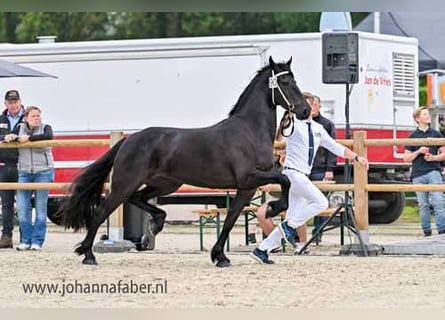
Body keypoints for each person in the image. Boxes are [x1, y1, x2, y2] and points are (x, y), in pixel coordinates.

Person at [249, 104, 368, 264]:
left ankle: (261, 250)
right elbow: (282, 134)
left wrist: (356, 158)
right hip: (293, 173)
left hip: (303, 175)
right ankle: (288, 229)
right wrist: (287, 118)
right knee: (321, 202)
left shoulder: (318, 128)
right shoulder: (294, 125)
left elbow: (336, 147)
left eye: (310, 105)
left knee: (291, 219)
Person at [6, 106, 55, 251]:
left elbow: (48, 137)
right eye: (33, 116)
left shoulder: (46, 128)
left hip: (44, 172)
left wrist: (29, 138)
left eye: (38, 116)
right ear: (26, 118)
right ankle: (26, 240)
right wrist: (9, 137)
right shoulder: (19, 128)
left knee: (40, 209)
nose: (37, 118)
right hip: (24, 172)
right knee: (22, 209)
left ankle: (37, 241)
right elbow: (7, 137)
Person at [403, 106, 445, 237]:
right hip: (418, 174)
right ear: (417, 118)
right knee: (423, 205)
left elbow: (444, 153)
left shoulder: (436, 134)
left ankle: (442, 230)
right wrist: (418, 151)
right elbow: (406, 158)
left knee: (438, 202)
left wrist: (433, 157)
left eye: (428, 114)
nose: (428, 116)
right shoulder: (412, 136)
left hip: (434, 171)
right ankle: (427, 231)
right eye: (425, 114)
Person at [309, 94, 337, 243]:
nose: (312, 107)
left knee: (320, 201)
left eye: (315, 104)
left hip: (320, 167)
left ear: (319, 106)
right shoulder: (299, 122)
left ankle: (317, 233)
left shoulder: (326, 124)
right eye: (310, 104)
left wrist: (329, 168)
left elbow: (332, 148)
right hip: (304, 167)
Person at [0, 90, 25, 249]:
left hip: (21, 165)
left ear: (20, 101)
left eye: (15, 101)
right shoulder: (1, 119)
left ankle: (25, 235)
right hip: (3, 165)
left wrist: (15, 138)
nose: (13, 104)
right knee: (6, 203)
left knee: (24, 202)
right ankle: (6, 235)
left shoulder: (28, 119)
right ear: (5, 103)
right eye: (10, 102)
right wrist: (4, 138)